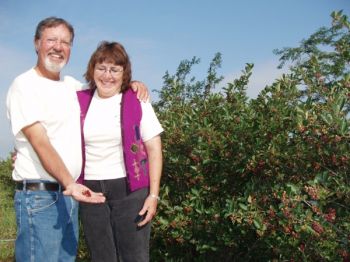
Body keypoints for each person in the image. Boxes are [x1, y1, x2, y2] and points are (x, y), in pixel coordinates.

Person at [6, 17, 149, 262]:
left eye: (65, 42)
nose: (58, 47)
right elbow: (40, 142)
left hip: (70, 196)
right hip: (41, 198)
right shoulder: (24, 85)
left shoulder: (71, 87)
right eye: (51, 39)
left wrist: (131, 84)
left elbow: (107, 85)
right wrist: (69, 183)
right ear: (36, 43)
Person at [77, 41, 163, 262]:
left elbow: (154, 149)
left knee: (135, 256)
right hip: (90, 192)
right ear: (92, 69)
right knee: (101, 257)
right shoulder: (78, 100)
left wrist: (153, 195)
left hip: (131, 190)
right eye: (101, 68)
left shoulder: (137, 100)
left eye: (115, 69)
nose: (107, 75)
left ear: (124, 73)